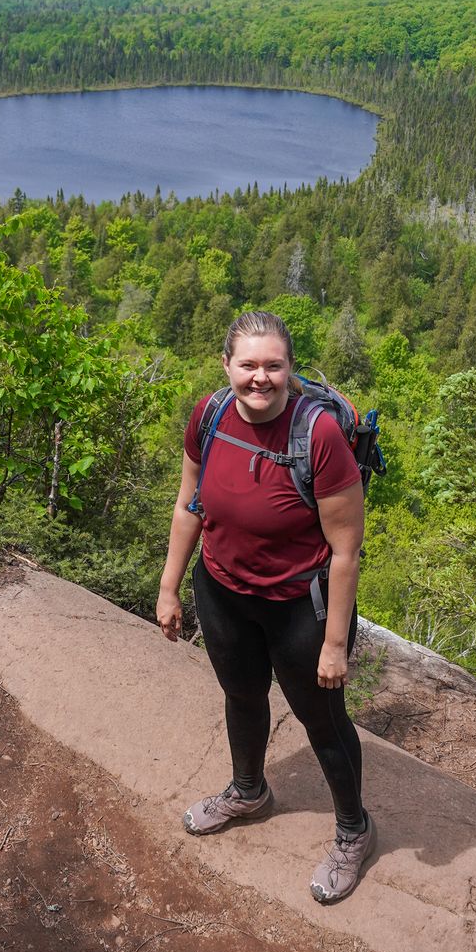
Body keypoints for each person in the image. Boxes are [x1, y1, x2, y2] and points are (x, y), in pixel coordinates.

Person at [157, 308, 375, 904]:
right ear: (226, 365)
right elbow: (189, 506)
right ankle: (249, 791)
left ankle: (355, 830)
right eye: (248, 364)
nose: (260, 377)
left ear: (290, 370)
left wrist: (333, 644)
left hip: (299, 606)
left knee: (323, 721)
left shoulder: (319, 436)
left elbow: (346, 551)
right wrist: (170, 586)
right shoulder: (210, 415)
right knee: (243, 696)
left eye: (273, 366)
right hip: (223, 593)